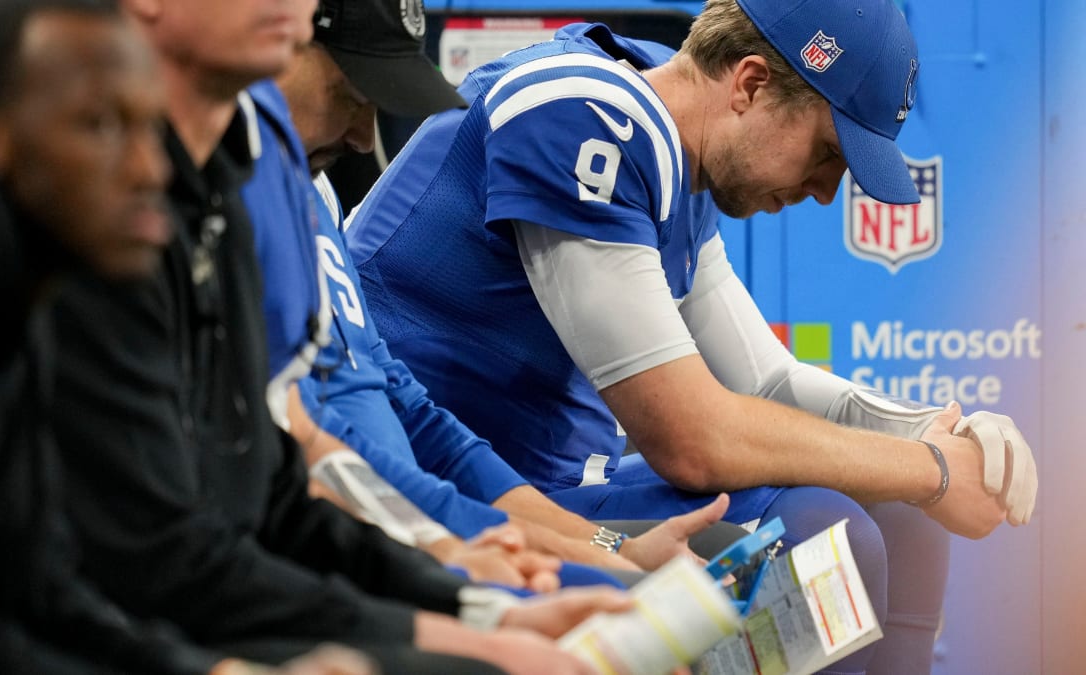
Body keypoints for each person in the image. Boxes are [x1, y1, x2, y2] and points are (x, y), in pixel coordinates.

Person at [344, 0, 1038, 672]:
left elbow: (765, 383)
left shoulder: (674, 121)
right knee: (823, 537)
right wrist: (931, 470)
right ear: (750, 84)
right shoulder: (580, 116)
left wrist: (934, 433)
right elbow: (689, 439)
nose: (828, 190)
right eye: (828, 152)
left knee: (905, 519)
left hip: (547, 476)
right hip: (442, 482)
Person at [49, 0, 624, 672]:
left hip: (280, 573)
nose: (362, 135)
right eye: (349, 92)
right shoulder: (106, 220)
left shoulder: (253, 189)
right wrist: (459, 592)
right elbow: (131, 558)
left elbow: (291, 467)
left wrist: (463, 591)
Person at [0, 0, 326, 673]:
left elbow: (39, 591)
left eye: (148, 128)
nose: (149, 170)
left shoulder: (12, 291)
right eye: (100, 126)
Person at [246, 0, 735, 582]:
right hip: (355, 560)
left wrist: (609, 552)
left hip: (411, 537)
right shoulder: (231, 207)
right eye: (350, 95)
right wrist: (459, 571)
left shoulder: (313, 195)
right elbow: (313, 450)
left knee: (704, 576)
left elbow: (414, 419)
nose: (361, 136)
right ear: (280, 39)